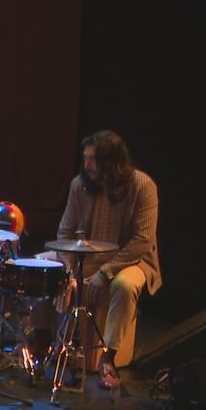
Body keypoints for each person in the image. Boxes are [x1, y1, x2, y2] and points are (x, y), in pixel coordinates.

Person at [37, 129, 161, 390]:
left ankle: (109, 356)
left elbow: (142, 241)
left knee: (125, 286)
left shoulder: (143, 186)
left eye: (94, 159)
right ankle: (41, 342)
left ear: (114, 162)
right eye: (86, 158)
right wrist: (70, 273)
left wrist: (105, 273)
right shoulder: (79, 185)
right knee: (39, 265)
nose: (87, 165)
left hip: (130, 261)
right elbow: (65, 232)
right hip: (84, 257)